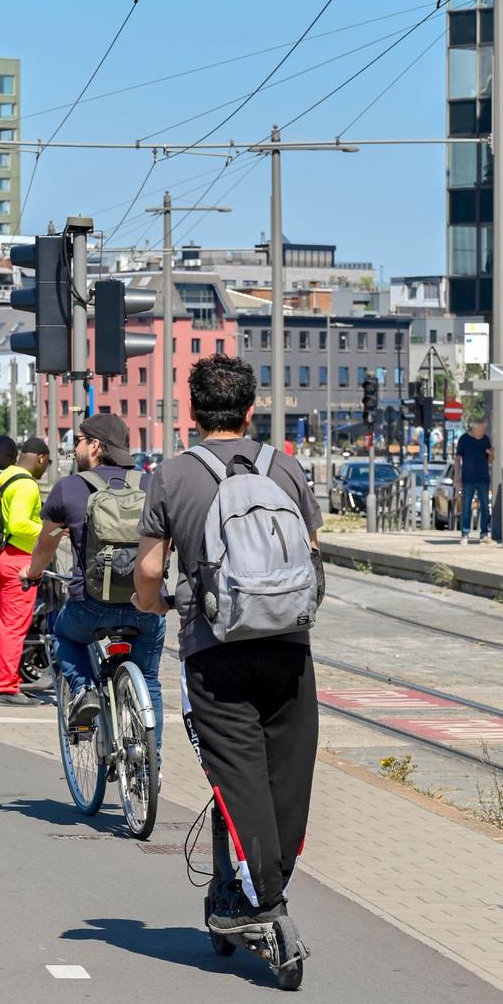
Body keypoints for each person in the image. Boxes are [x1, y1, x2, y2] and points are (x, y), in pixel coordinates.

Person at [133, 353, 323, 937]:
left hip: (214, 650)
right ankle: (271, 879)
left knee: (236, 775)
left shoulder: (171, 475)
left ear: (193, 411)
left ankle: (261, 901)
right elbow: (314, 552)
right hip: (289, 646)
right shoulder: (285, 469)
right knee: (287, 777)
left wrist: (156, 603)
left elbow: (147, 569)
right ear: (250, 409)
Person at [21, 415, 165, 750]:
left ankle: (84, 689)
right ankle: (149, 768)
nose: (76, 449)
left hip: (90, 606)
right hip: (143, 606)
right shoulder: (149, 485)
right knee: (151, 681)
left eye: (79, 442)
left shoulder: (69, 489)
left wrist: (32, 573)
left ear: (95, 445)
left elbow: (46, 545)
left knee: (62, 634)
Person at [0, 438, 48, 705]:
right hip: (17, 561)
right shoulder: (27, 485)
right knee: (14, 627)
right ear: (41, 458)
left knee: (4, 624)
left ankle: (2, 678)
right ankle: (6, 689)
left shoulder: (1, 477)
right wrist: (50, 531)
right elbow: (20, 524)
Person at [454, 420, 493, 541]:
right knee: (466, 506)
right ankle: (465, 533)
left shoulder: (485, 439)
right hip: (468, 479)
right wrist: (457, 477)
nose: (484, 431)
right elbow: (457, 459)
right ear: (475, 429)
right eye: (483, 429)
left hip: (483, 478)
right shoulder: (464, 439)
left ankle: (484, 534)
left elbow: (490, 460)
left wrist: (491, 454)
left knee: (485, 507)